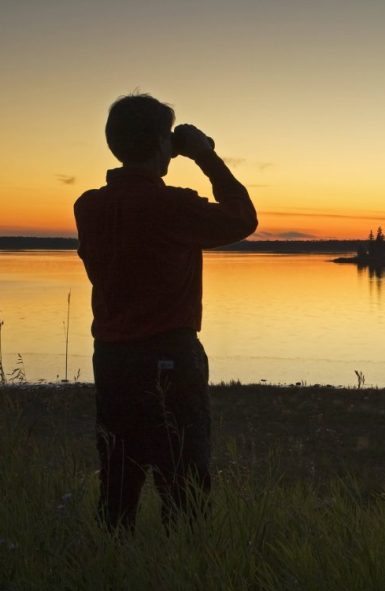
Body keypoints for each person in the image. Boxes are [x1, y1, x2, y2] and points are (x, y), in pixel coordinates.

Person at [74, 93, 258, 531]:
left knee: (118, 485)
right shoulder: (172, 206)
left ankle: (113, 572)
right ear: (161, 143)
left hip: (113, 360)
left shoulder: (88, 206)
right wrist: (205, 155)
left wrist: (160, 152)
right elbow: (243, 218)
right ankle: (185, 574)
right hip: (170, 358)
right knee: (185, 486)